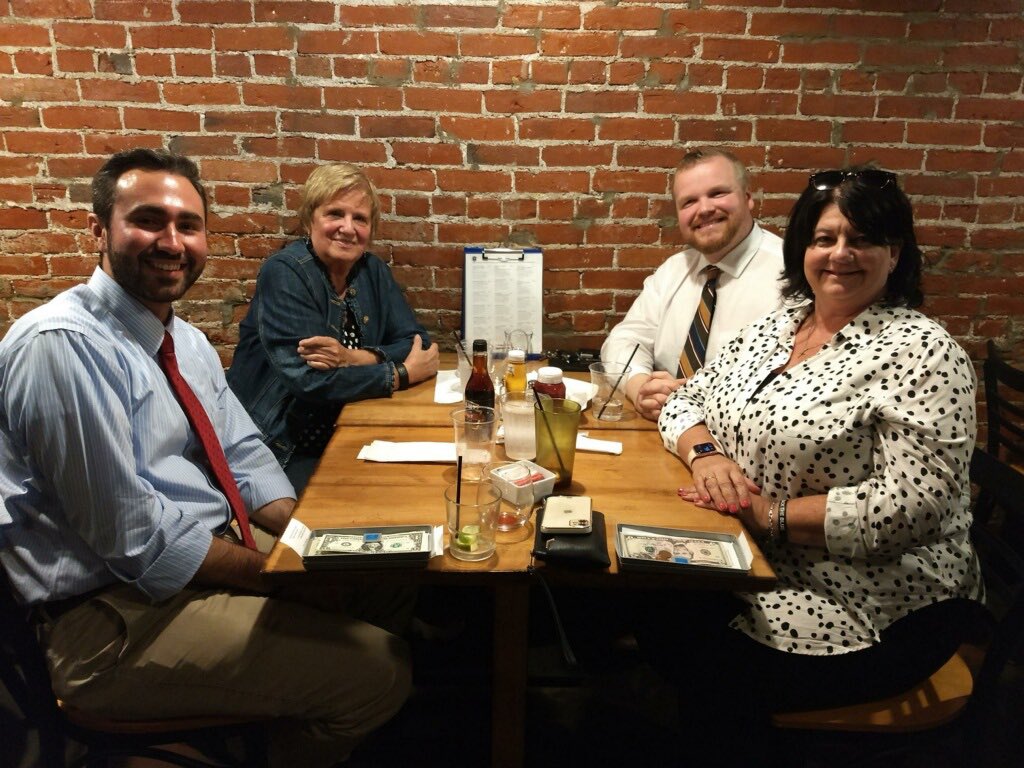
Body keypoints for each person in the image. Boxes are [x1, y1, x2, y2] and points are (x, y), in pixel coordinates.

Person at [0, 148, 410, 767]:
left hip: (182, 573)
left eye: (188, 226)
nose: (171, 241)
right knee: (382, 671)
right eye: (148, 220)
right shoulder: (62, 347)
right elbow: (135, 536)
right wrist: (283, 576)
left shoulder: (181, 338)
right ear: (98, 231)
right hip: (110, 619)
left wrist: (303, 534)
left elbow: (242, 452)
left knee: (391, 580)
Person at [649, 167, 985, 760]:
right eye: (824, 239)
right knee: (647, 608)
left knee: (703, 661)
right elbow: (687, 397)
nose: (840, 255)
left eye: (861, 240)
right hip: (756, 558)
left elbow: (910, 507)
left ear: (895, 252)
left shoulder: (924, 351)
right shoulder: (782, 325)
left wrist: (767, 513)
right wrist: (704, 456)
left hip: (874, 602)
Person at [228, 162, 438, 492]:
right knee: (353, 509)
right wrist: (401, 374)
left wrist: (352, 358)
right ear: (310, 217)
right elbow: (310, 381)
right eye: (335, 214)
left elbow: (418, 343)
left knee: (417, 485)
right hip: (284, 443)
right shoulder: (285, 273)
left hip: (351, 425)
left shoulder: (372, 270)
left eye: (360, 219)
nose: (348, 228)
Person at [600, 147, 785, 421]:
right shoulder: (674, 270)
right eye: (689, 202)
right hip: (663, 432)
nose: (705, 209)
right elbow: (625, 339)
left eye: (718, 193)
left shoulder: (793, 273)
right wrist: (641, 388)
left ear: (748, 199)